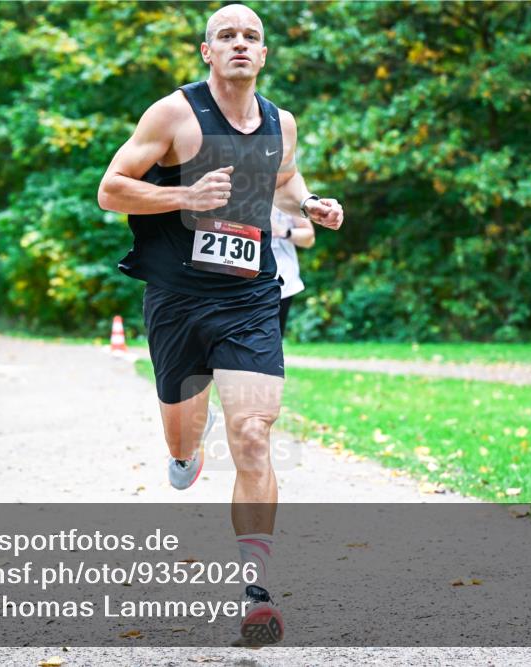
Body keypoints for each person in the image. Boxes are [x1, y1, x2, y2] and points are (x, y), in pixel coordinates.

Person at [97, 3, 344, 646]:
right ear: (206, 51)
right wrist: (183, 196)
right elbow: (111, 187)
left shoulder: (280, 123)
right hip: (177, 298)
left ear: (263, 54)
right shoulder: (173, 115)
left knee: (256, 434)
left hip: (249, 296)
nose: (240, 44)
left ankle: (256, 589)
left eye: (251, 36)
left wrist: (311, 202)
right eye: (226, 35)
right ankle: (187, 446)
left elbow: (283, 179)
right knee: (182, 452)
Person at [270, 205, 314, 336]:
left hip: (282, 279)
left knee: (274, 337)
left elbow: (309, 238)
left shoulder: (285, 193)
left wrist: (285, 232)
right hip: (241, 276)